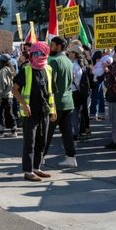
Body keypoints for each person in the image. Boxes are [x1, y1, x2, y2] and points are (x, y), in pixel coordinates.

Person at [13, 41, 57, 182]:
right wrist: (24, 104)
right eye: (34, 53)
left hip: (44, 111)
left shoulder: (48, 69)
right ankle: (28, 171)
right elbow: (14, 90)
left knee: (42, 141)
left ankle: (37, 167)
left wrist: (53, 109)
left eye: (40, 53)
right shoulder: (26, 70)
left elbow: (51, 92)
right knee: (30, 142)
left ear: (45, 54)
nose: (37, 56)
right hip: (29, 112)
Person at [44, 37, 78, 168]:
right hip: (68, 101)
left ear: (58, 46)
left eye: (52, 44)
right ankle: (71, 157)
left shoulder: (54, 61)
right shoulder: (69, 61)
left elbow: (50, 83)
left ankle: (40, 158)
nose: (50, 47)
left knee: (46, 132)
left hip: (55, 102)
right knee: (67, 132)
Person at [0, 55, 18, 137]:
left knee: (0, 114)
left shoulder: (3, 71)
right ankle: (13, 130)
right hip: (10, 95)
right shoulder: (12, 70)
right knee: (9, 113)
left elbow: (0, 85)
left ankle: (0, 132)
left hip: (3, 96)